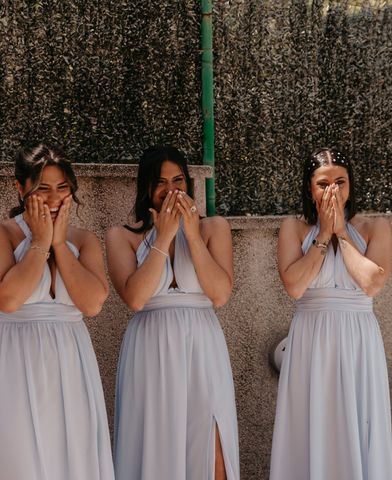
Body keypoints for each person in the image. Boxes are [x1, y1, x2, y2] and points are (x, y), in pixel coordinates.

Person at [106, 146, 238, 480]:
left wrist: (191, 235)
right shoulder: (121, 237)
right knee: (155, 450)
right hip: (151, 350)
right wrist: (162, 237)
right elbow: (135, 298)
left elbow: (220, 293)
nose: (172, 189)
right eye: (161, 182)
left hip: (203, 348)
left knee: (213, 455)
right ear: (146, 188)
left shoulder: (214, 228)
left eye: (178, 179)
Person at [269, 147, 392, 480]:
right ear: (310, 188)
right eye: (323, 184)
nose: (333, 191)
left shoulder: (373, 227)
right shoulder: (293, 229)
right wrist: (323, 234)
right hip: (312, 337)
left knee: (360, 420)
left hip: (358, 338)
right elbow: (295, 286)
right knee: (312, 424)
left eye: (340, 181)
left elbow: (372, 283)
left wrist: (340, 232)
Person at [0, 144, 114, 480]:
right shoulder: (4, 235)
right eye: (43, 189)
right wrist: (39, 242)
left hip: (71, 360)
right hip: (17, 360)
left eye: (63, 188)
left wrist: (60, 244)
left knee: (74, 457)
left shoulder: (84, 240)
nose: (54, 199)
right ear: (20, 189)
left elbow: (92, 304)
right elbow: (8, 299)